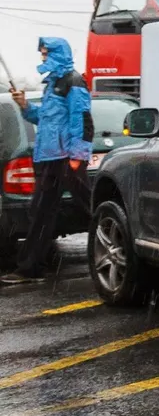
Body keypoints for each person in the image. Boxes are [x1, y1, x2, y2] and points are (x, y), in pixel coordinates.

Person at [2, 37, 92, 285]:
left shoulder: (73, 82)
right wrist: (25, 106)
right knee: (41, 212)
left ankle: (124, 245)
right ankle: (30, 268)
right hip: (49, 158)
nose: (42, 58)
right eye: (41, 54)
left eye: (45, 54)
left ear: (57, 54)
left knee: (91, 207)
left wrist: (77, 156)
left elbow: (81, 120)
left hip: (66, 159)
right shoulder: (52, 84)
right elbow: (45, 118)